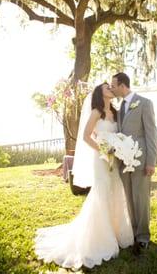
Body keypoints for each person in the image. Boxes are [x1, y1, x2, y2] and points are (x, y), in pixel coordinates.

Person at [34, 83, 134, 270]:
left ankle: (116, 232)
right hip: (101, 158)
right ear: (99, 93)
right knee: (102, 192)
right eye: (106, 87)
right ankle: (99, 238)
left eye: (111, 86)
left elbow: (118, 135)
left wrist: (120, 148)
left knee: (115, 190)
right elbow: (87, 136)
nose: (110, 88)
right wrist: (105, 150)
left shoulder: (115, 111)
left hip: (114, 159)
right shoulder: (96, 112)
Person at [111, 72, 157, 254]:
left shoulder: (145, 103)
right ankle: (132, 233)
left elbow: (151, 134)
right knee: (129, 198)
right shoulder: (119, 106)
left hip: (140, 159)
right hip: (123, 161)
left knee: (141, 199)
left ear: (123, 85)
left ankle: (143, 237)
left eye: (114, 85)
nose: (112, 88)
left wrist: (151, 162)